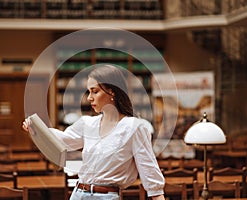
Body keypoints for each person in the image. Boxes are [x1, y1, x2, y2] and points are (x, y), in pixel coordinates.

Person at [22, 64, 165, 200]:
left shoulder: (135, 127)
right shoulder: (87, 123)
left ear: (112, 91)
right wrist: (37, 128)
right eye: (89, 92)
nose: (89, 97)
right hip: (78, 193)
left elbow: (150, 172)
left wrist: (158, 196)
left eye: (95, 91)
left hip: (106, 196)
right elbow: (62, 140)